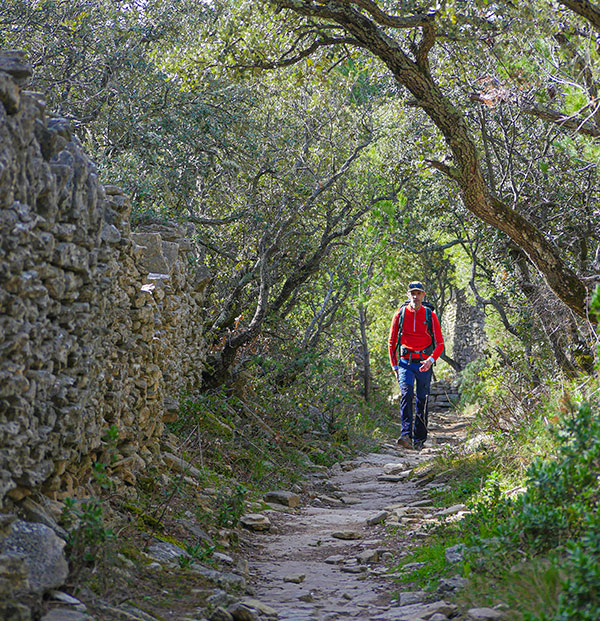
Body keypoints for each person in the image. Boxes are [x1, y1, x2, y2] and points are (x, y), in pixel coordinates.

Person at [388, 281, 444, 450]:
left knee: (422, 399)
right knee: (406, 395)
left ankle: (419, 438)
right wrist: (395, 366)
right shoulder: (400, 314)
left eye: (418, 293)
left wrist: (430, 360)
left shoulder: (430, 315)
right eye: (413, 293)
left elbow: (440, 344)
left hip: (424, 363)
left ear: (423, 295)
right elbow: (391, 342)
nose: (415, 296)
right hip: (405, 363)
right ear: (408, 295)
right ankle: (405, 435)